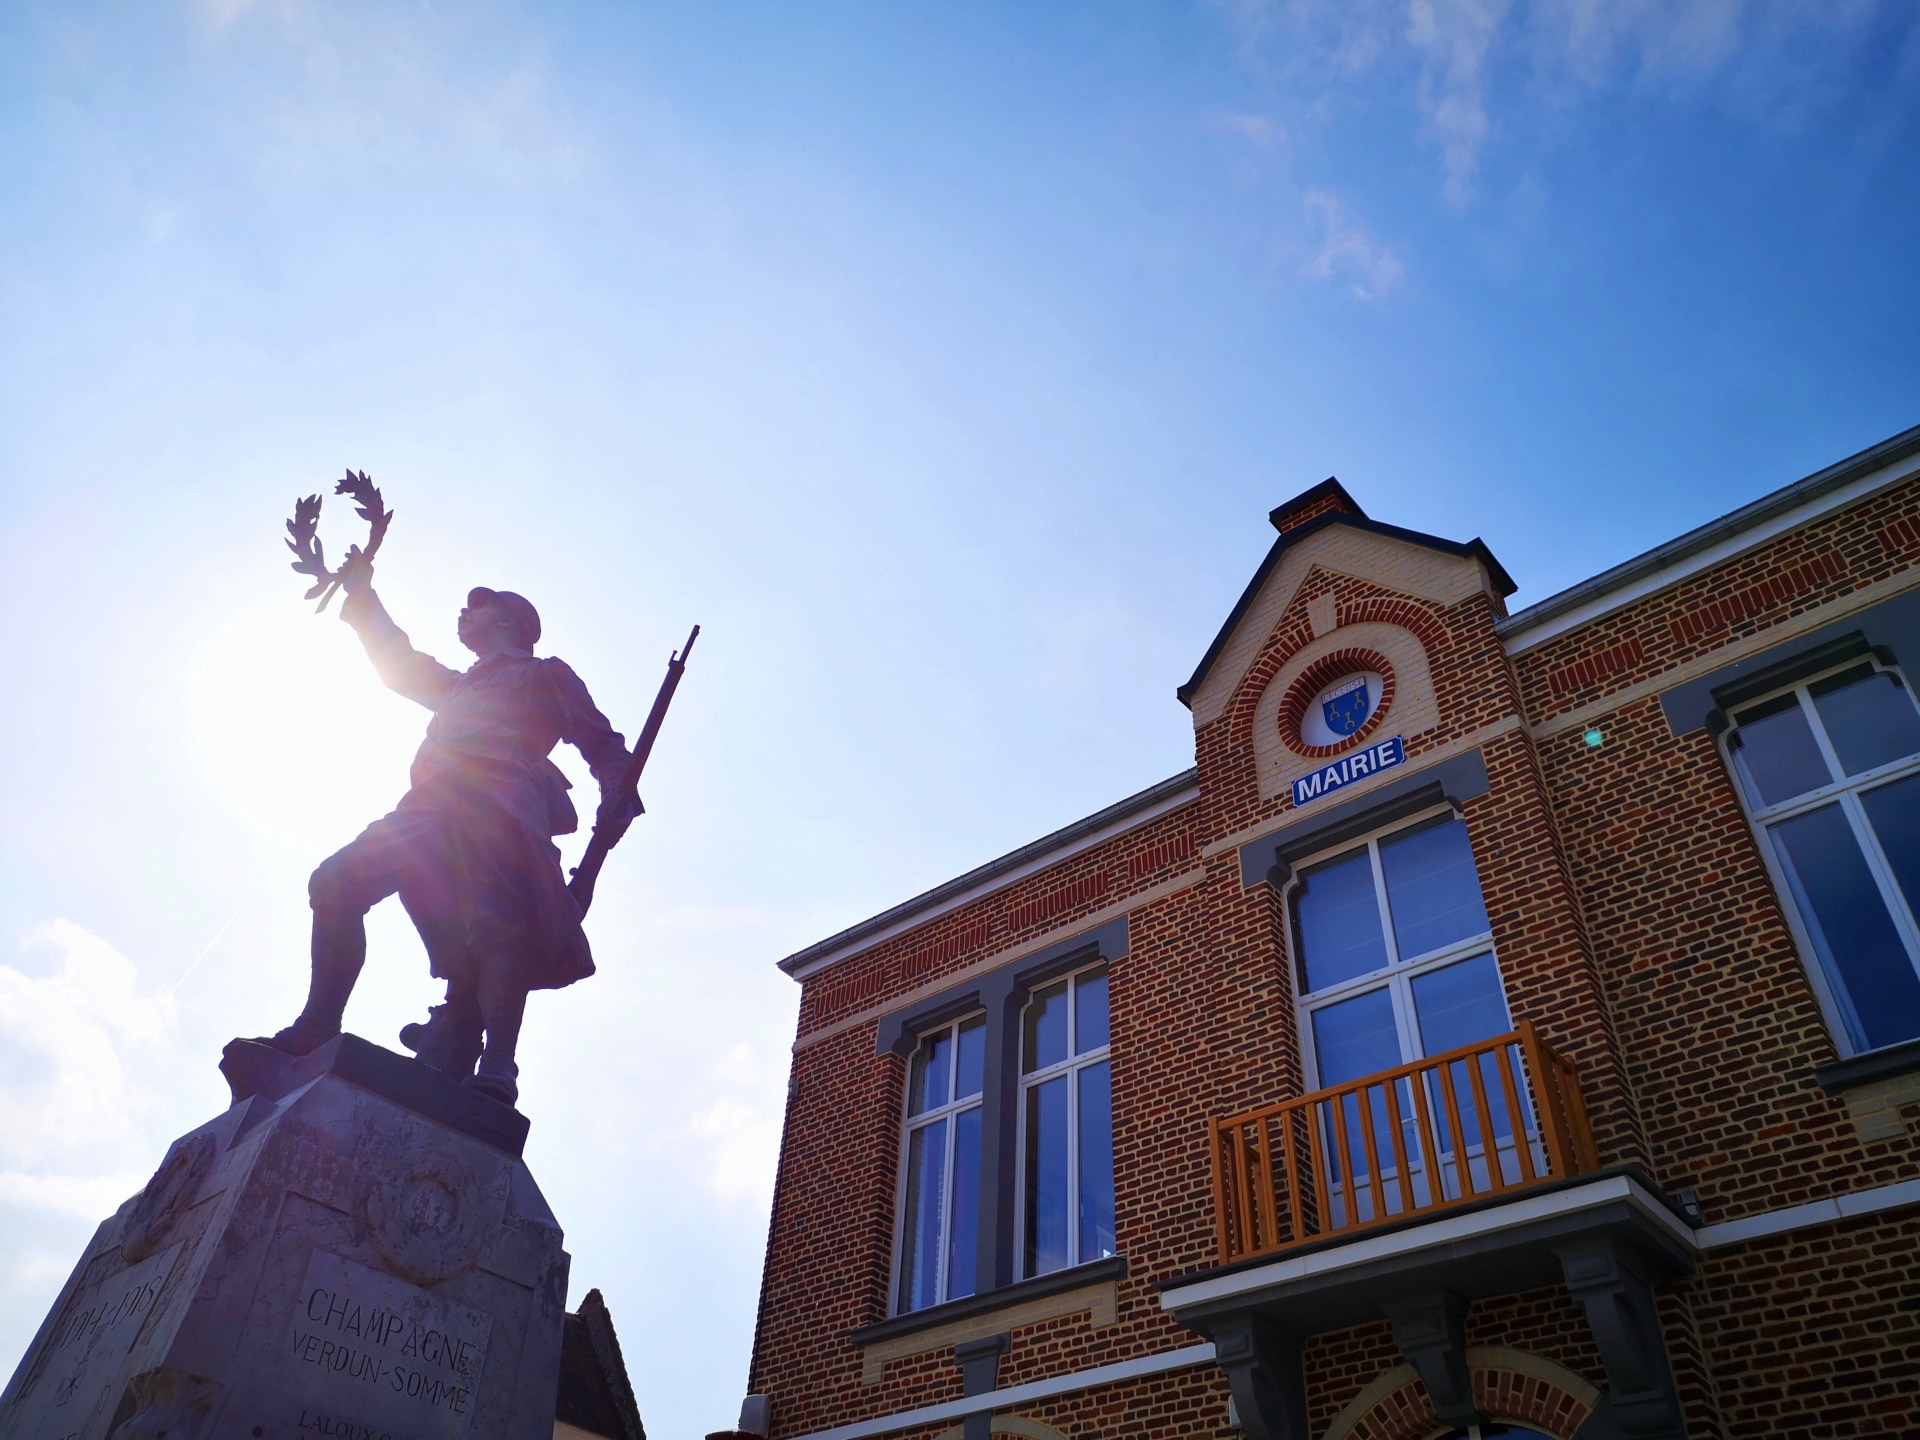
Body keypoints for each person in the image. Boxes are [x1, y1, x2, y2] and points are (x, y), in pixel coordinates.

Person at [262, 547, 635, 1105]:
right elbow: (398, 662)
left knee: (496, 931)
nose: (463, 616)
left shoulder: (543, 675)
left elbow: (602, 744)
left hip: (503, 805)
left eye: (474, 608)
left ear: (507, 620)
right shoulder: (458, 685)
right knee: (336, 882)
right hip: (431, 804)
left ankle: (499, 1064)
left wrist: (617, 796)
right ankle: (318, 1023)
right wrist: (362, 594)